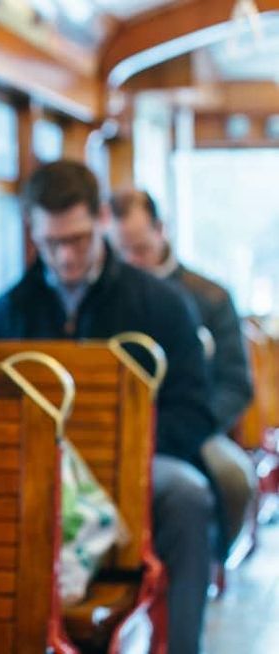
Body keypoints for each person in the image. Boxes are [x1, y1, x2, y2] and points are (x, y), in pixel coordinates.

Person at [0, 160, 216, 654]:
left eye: (78, 240)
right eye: (51, 243)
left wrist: (125, 457)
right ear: (33, 233)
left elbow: (194, 410)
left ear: (102, 218)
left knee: (189, 496)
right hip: (45, 470)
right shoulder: (7, 312)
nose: (65, 257)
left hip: (139, 464)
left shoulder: (161, 304)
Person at [109, 189, 257, 562]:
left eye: (140, 249)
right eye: (122, 250)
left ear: (161, 230)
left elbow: (236, 383)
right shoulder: (109, 293)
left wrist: (195, 425)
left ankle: (211, 561)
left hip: (195, 422)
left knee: (233, 478)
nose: (131, 261)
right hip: (120, 428)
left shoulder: (210, 296)